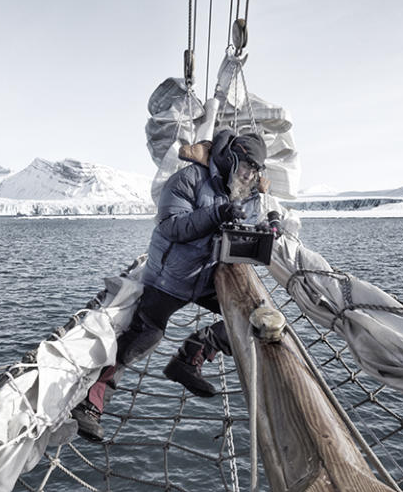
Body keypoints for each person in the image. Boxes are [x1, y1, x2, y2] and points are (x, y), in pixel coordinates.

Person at [71, 129, 268, 442]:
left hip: (207, 278)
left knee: (253, 317)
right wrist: (217, 213)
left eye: (255, 171)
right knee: (145, 335)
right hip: (170, 277)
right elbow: (172, 226)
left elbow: (248, 225)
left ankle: (190, 358)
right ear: (232, 159)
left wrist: (267, 228)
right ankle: (90, 403)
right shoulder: (189, 179)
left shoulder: (248, 191)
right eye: (247, 168)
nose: (250, 176)